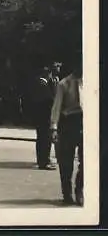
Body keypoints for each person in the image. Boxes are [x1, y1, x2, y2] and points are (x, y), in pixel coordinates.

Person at [50, 58, 83, 206]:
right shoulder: (64, 83)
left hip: (85, 123)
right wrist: (54, 128)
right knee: (66, 162)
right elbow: (56, 107)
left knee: (87, 161)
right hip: (68, 124)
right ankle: (67, 192)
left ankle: (79, 190)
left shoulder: (91, 82)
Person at [33, 66, 57, 170]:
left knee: (41, 139)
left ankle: (42, 160)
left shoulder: (38, 84)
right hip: (44, 118)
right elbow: (49, 101)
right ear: (49, 74)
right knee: (45, 140)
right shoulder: (42, 85)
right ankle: (44, 162)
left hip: (39, 117)